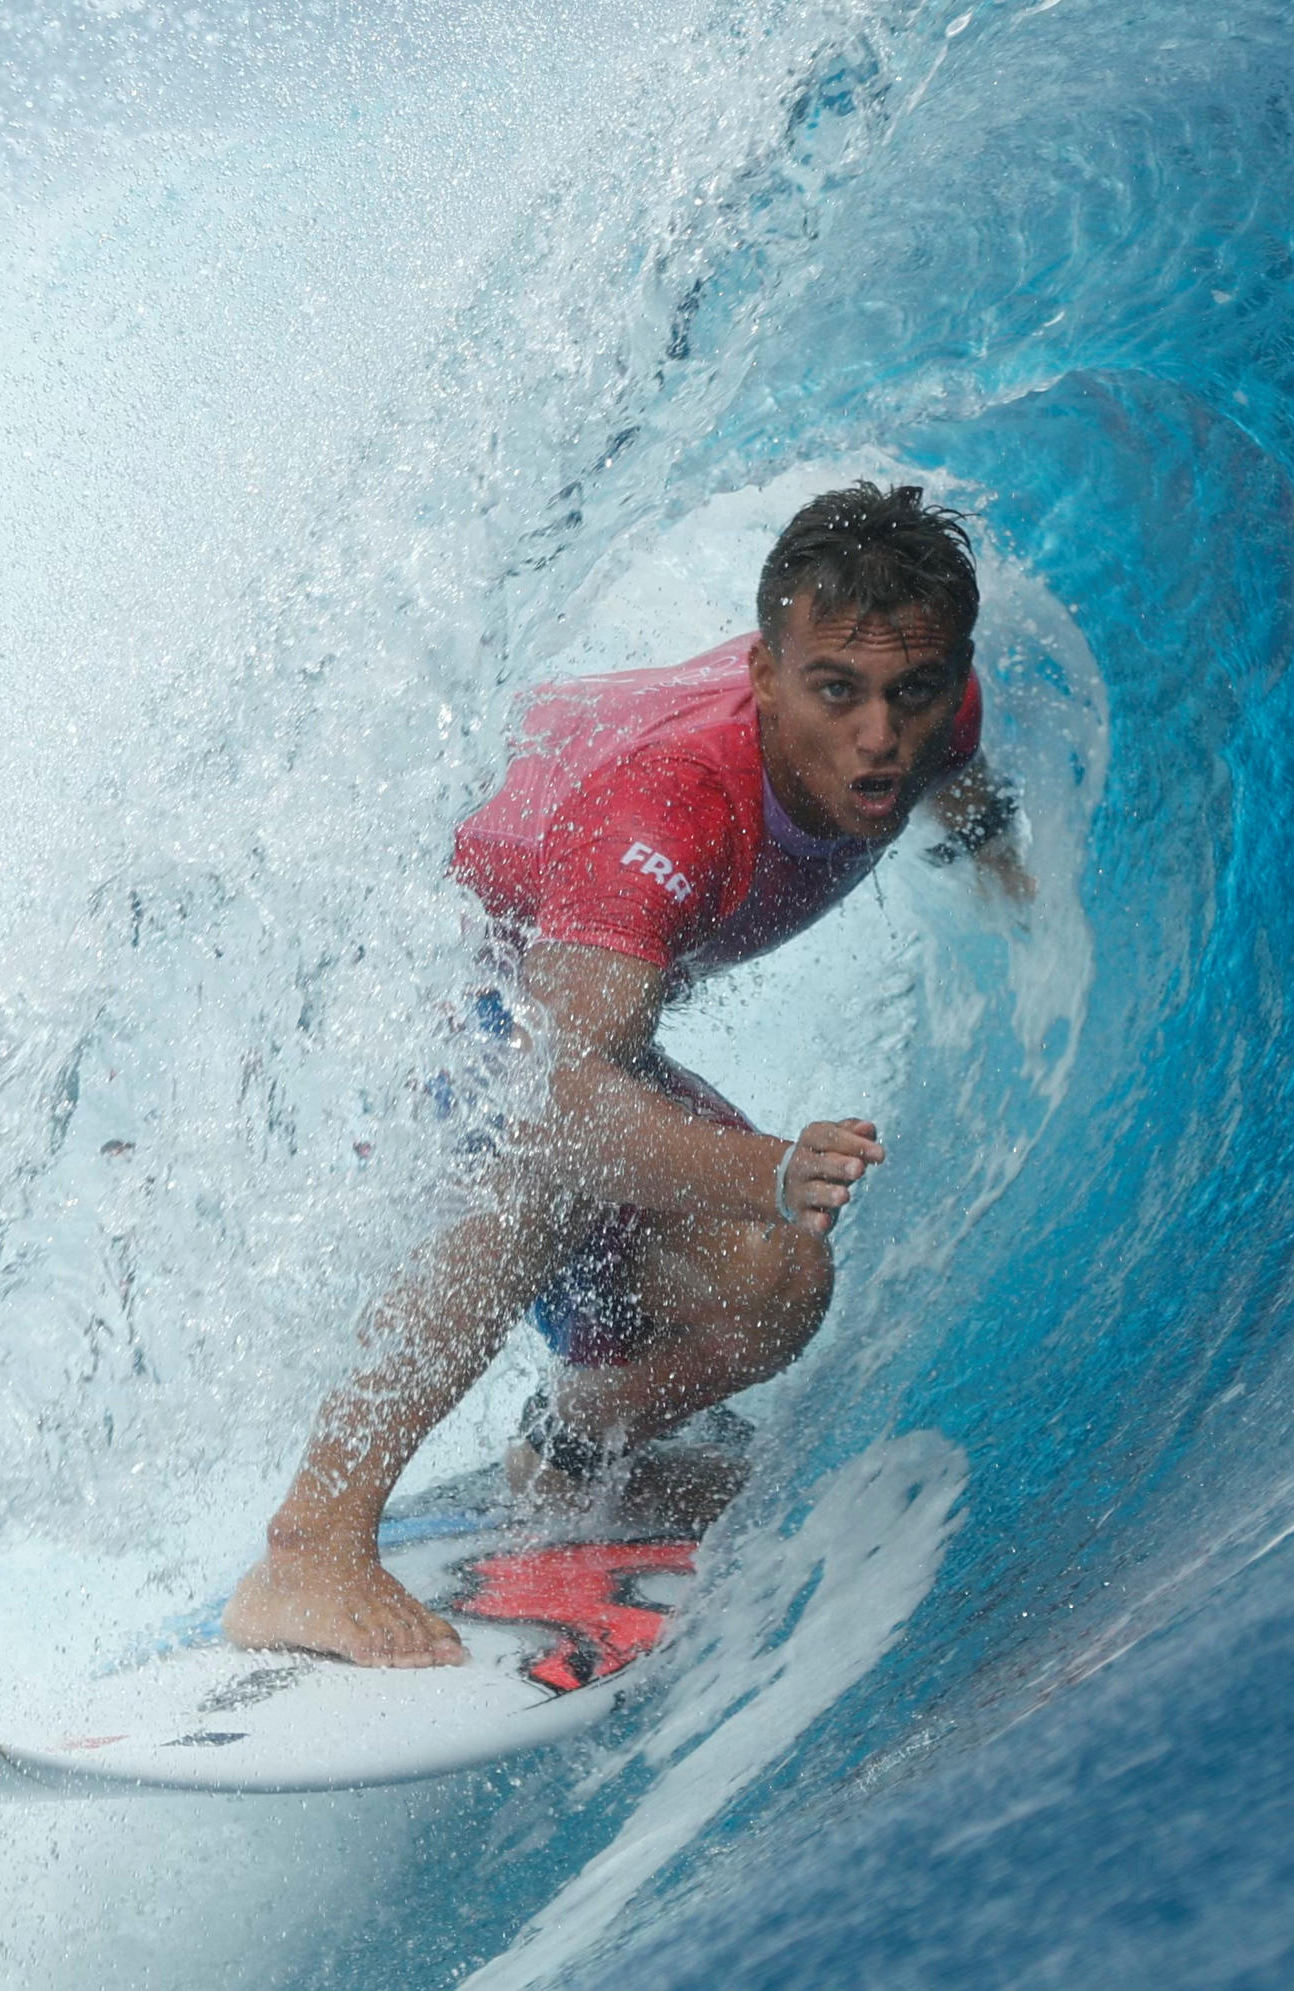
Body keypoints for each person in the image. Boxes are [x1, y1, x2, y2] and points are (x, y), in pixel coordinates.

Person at [222, 482, 1033, 1667]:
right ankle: (309, 1545)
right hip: (408, 976)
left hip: (547, 1002)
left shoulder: (928, 705)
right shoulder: (672, 807)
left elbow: (947, 771)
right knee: (551, 1149)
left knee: (778, 1279)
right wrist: (771, 1164)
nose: (878, 738)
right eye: (835, 693)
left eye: (910, 694)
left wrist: (1007, 879)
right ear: (766, 676)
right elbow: (556, 1094)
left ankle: (573, 1446)